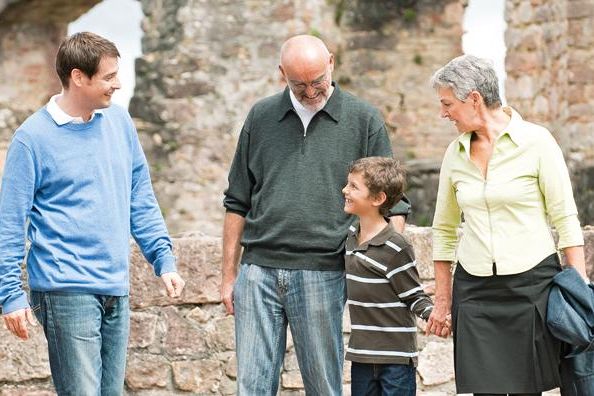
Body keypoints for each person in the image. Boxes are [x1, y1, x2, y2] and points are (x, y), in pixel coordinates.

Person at [222, 34, 410, 395]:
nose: (310, 92)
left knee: (324, 385)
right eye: (299, 84)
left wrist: (386, 271)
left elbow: (393, 204)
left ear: (331, 64)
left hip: (324, 272)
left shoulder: (364, 118)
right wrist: (229, 275)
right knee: (251, 386)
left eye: (317, 81)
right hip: (258, 270)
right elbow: (237, 201)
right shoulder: (261, 116)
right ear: (282, 74)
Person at [0, 32, 185, 395]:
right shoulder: (31, 138)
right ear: (78, 77)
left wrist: (164, 260)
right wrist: (10, 294)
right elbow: (9, 222)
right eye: (109, 77)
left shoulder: (119, 124)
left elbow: (140, 198)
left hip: (116, 286)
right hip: (64, 289)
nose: (117, 85)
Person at [427, 54, 588, 396]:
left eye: (447, 104)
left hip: (530, 287)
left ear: (474, 100)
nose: (443, 113)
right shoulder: (454, 154)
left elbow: (565, 219)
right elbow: (442, 230)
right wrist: (443, 300)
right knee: (483, 390)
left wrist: (581, 293)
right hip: (474, 290)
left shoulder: (537, 142)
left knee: (526, 389)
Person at [342, 157, 432, 396]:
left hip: (396, 360)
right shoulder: (350, 236)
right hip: (361, 356)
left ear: (377, 199)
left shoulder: (396, 247)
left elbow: (414, 296)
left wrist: (437, 316)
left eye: (353, 186)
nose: (345, 190)